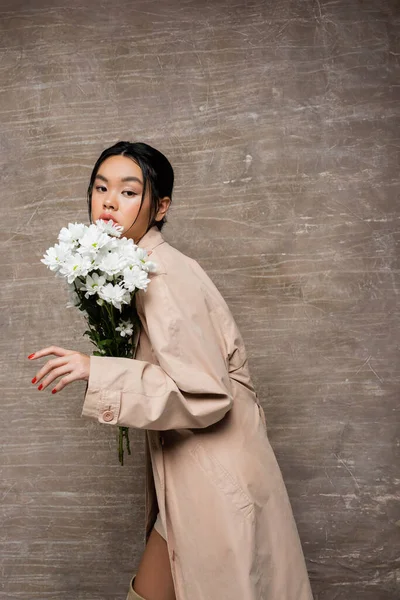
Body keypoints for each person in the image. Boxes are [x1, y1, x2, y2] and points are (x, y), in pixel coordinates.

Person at [28, 141, 314, 600]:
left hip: (214, 475)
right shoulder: (137, 266)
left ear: (161, 207)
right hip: (196, 473)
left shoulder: (161, 273)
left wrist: (95, 370)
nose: (108, 201)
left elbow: (207, 393)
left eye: (128, 191)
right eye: (101, 187)